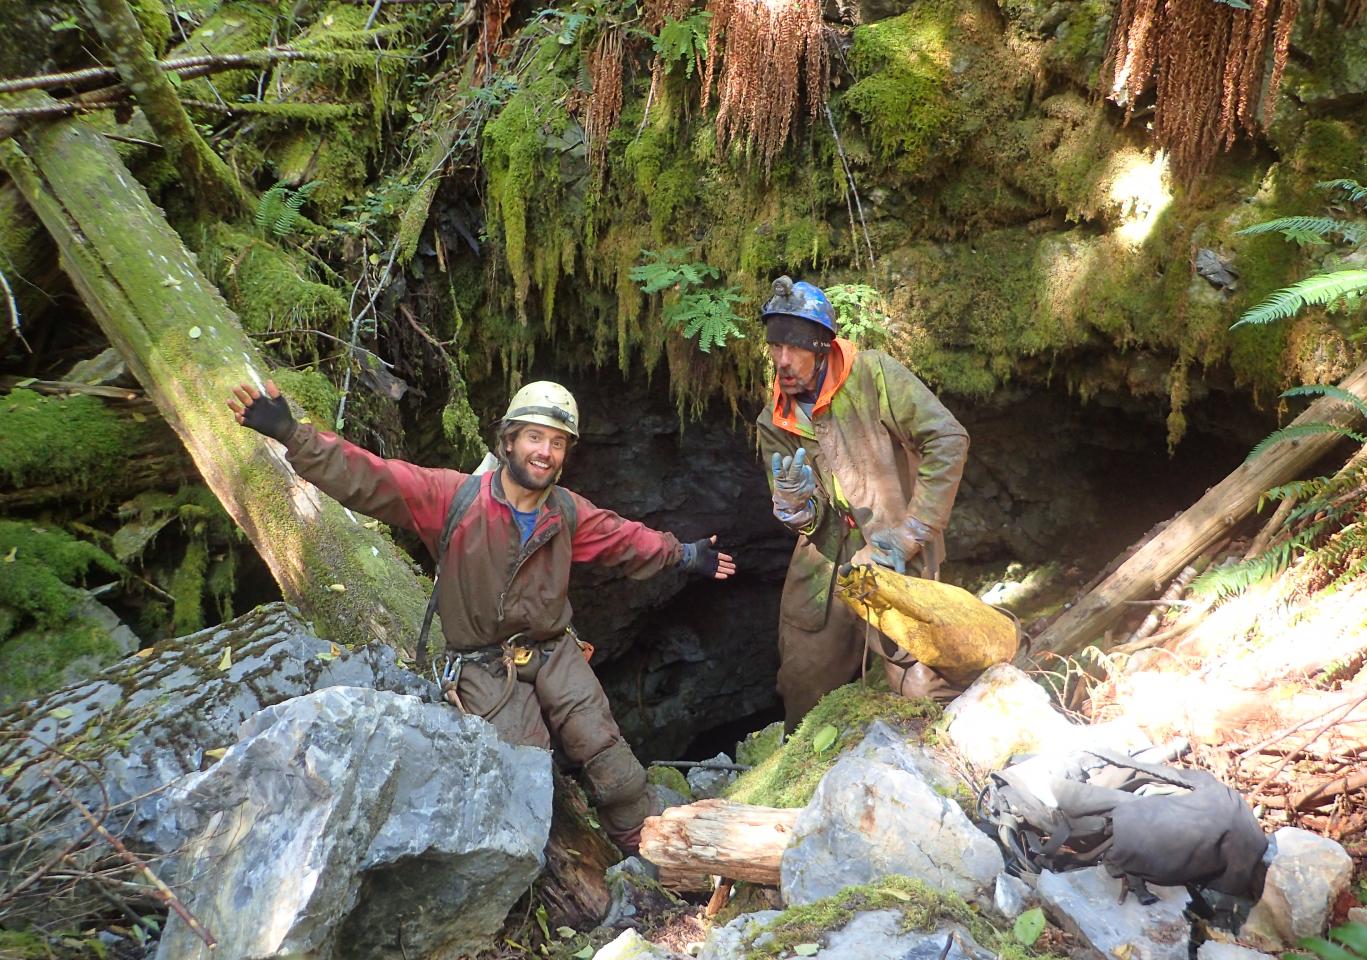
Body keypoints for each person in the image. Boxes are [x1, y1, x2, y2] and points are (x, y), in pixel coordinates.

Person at [227, 378, 735, 852]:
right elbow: (369, 477)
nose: (545, 451)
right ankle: (550, 871)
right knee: (524, 773)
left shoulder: (566, 511)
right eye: (535, 437)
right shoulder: (454, 498)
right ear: (509, 440)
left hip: (555, 650)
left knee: (606, 752)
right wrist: (291, 434)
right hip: (483, 664)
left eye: (558, 443)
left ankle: (653, 848)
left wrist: (685, 554)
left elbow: (625, 538)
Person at [756, 276, 970, 730]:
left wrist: (914, 531)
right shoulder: (773, 419)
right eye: (775, 348)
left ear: (821, 346)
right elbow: (808, 515)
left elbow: (947, 439)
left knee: (918, 684)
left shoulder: (872, 375)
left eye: (794, 349)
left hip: (895, 546)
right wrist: (797, 508)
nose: (783, 361)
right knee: (802, 685)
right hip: (825, 560)